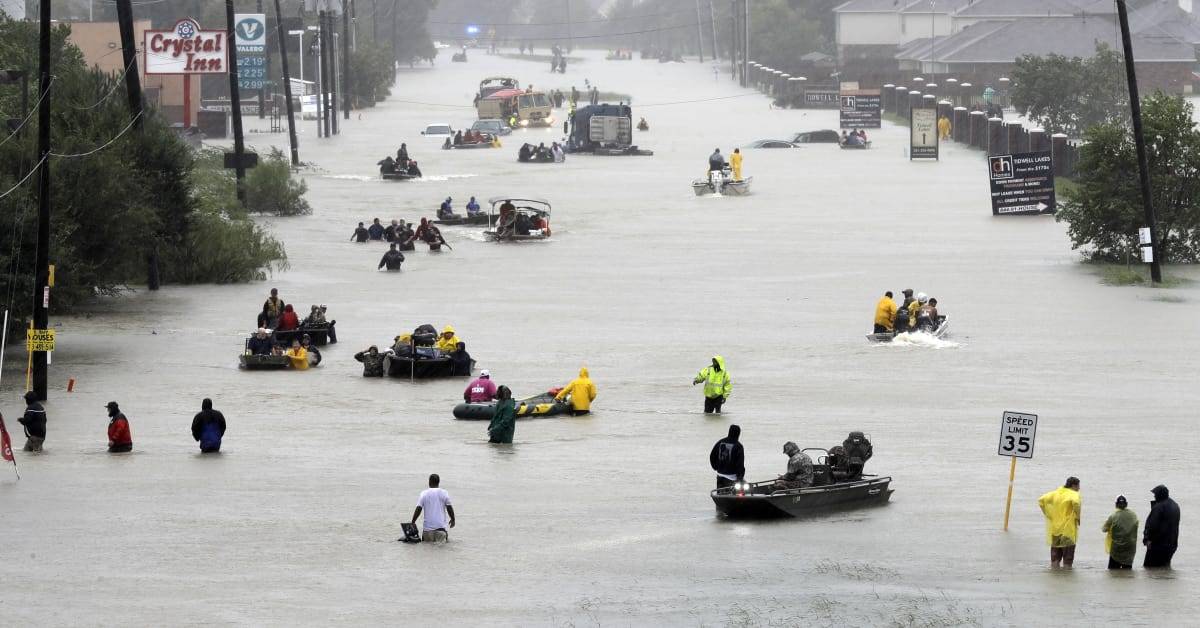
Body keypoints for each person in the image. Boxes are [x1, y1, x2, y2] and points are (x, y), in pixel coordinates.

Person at [1038, 477, 1082, 568]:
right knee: (1068, 558)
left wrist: (1048, 514)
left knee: (1055, 557)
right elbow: (1076, 503)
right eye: (1078, 486)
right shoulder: (1074, 494)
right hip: (1068, 530)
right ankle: (1066, 578)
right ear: (1073, 485)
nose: (1079, 488)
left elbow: (1041, 500)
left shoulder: (1056, 493)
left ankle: (1055, 575)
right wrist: (1078, 517)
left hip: (1055, 529)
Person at [1143, 484, 1180, 568]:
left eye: (1155, 494)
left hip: (1158, 545)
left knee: (1149, 570)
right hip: (1172, 544)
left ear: (1159, 495)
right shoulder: (1175, 505)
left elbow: (1152, 525)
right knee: (1164, 568)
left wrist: (1147, 539)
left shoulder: (1159, 507)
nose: (1154, 496)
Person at [411, 474, 455, 543]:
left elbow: (418, 508)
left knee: (427, 551)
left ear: (429, 482)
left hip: (427, 531)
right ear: (438, 482)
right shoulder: (444, 493)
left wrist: (413, 522)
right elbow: (449, 507)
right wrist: (453, 519)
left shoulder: (424, 493)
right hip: (440, 530)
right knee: (442, 551)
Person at [1102, 495, 1139, 570]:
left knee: (1113, 571)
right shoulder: (1133, 515)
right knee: (1127, 571)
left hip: (1117, 548)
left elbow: (1104, 529)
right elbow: (1136, 525)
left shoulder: (1113, 516)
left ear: (1116, 505)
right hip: (1130, 547)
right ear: (1126, 504)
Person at [709, 424, 745, 489]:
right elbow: (740, 464)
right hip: (732, 478)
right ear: (738, 434)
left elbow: (712, 456)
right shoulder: (738, 446)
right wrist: (740, 478)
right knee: (744, 489)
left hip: (720, 475)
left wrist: (715, 467)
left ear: (729, 432)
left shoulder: (720, 442)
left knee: (720, 492)